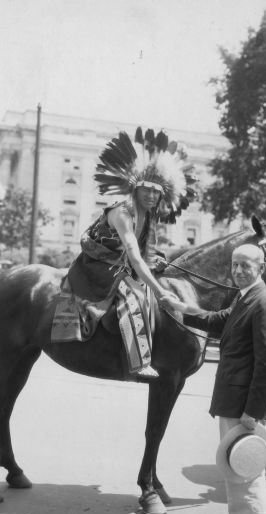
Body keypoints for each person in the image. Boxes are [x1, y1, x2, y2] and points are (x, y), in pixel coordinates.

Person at [164, 244, 266, 514]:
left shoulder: (265, 303)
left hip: (244, 407)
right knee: (236, 478)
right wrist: (180, 307)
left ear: (260, 266)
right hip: (233, 401)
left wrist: (253, 411)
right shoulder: (245, 297)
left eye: (247, 265)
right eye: (235, 264)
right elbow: (218, 321)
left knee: (247, 479)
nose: (239, 270)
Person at [70, 127, 197, 380]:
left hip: (120, 264)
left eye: (156, 192)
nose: (151, 195)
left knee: (148, 284)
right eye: (146, 189)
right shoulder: (122, 213)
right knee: (135, 294)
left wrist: (159, 263)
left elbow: (145, 253)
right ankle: (138, 360)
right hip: (97, 264)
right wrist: (161, 292)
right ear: (135, 189)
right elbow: (134, 256)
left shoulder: (148, 215)